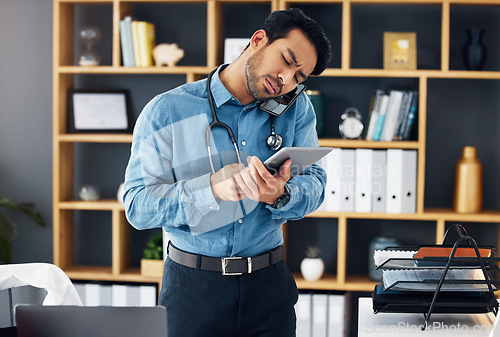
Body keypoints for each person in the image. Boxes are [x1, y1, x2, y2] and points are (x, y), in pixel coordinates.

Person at [123, 8, 331, 337]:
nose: (287, 80)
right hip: (193, 289)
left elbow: (316, 185)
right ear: (259, 40)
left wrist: (280, 194)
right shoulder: (167, 110)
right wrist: (212, 189)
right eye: (287, 61)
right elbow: (137, 206)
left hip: (269, 287)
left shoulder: (296, 110)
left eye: (298, 77)